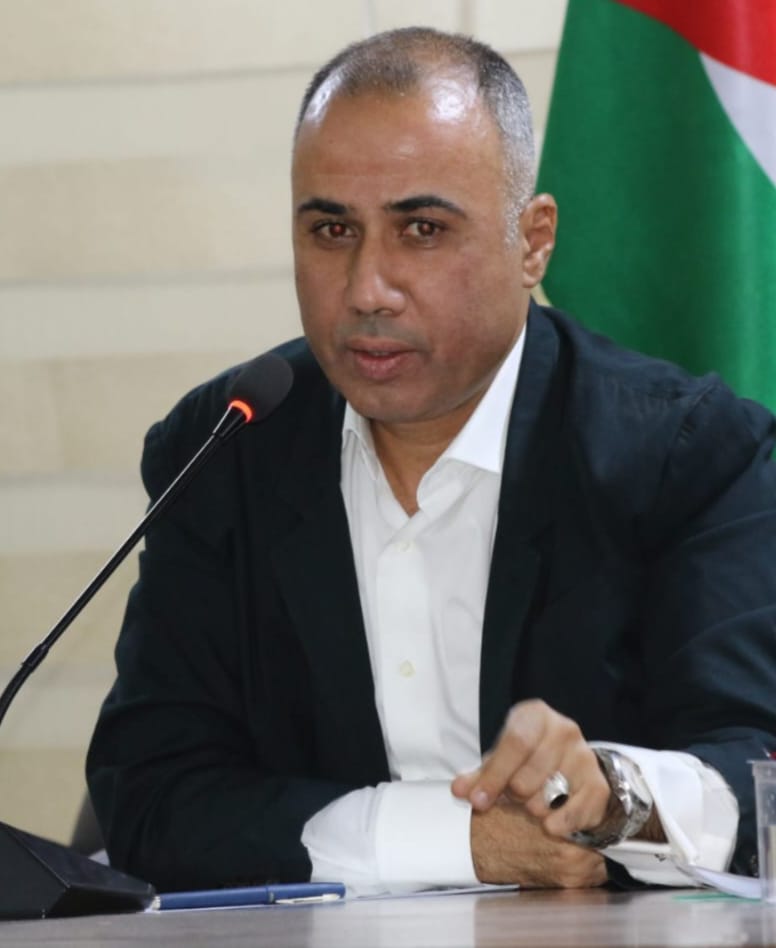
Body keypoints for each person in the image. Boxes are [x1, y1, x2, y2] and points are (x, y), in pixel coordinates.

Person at [86, 27, 776, 895]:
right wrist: (460, 843)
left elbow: (758, 769)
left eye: (421, 229)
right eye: (331, 229)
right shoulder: (227, 447)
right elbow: (151, 797)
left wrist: (614, 797)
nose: (367, 288)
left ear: (533, 242)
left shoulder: (687, 453)